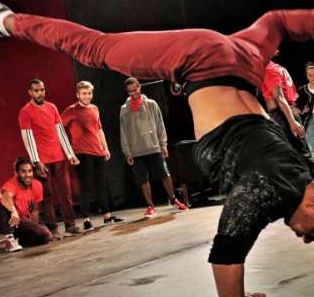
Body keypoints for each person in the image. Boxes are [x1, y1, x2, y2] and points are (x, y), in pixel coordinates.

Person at [0, 0, 314, 297]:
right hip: (202, 59)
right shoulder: (268, 190)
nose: (307, 239)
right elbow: (225, 256)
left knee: (275, 21)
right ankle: (4, 20)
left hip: (241, 59)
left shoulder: (309, 173)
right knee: (94, 48)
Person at [19, 79, 82, 237]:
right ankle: (52, 228)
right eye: (36, 90)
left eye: (42, 90)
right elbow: (28, 138)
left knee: (65, 192)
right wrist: (36, 161)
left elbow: (60, 131)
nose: (40, 93)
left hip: (59, 158)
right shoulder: (26, 111)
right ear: (30, 92)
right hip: (42, 161)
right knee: (46, 196)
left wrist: (70, 154)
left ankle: (70, 224)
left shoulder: (52, 107)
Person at [119, 77, 188, 218]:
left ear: (140, 87)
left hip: (154, 146)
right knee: (143, 179)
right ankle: (150, 206)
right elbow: (123, 131)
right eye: (130, 91)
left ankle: (174, 199)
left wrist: (163, 144)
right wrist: (127, 152)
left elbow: (160, 125)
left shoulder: (151, 104)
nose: (133, 93)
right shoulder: (124, 109)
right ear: (127, 91)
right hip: (136, 150)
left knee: (164, 174)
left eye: (135, 89)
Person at [61, 81, 124, 230]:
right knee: (86, 186)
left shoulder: (95, 108)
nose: (87, 96)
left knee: (101, 185)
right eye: (84, 93)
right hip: (82, 153)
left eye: (89, 93)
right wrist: (69, 150)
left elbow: (99, 129)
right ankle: (86, 219)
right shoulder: (71, 110)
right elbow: (58, 128)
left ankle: (107, 216)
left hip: (97, 151)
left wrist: (105, 148)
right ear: (78, 94)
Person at [0, 158, 52, 250]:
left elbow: (35, 210)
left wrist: (34, 229)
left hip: (20, 222)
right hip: (1, 220)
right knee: (5, 207)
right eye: (23, 172)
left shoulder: (37, 185)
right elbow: (5, 197)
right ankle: (10, 239)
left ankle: (8, 243)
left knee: (45, 235)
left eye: (30, 171)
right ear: (16, 173)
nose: (27, 175)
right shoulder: (11, 184)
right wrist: (13, 211)